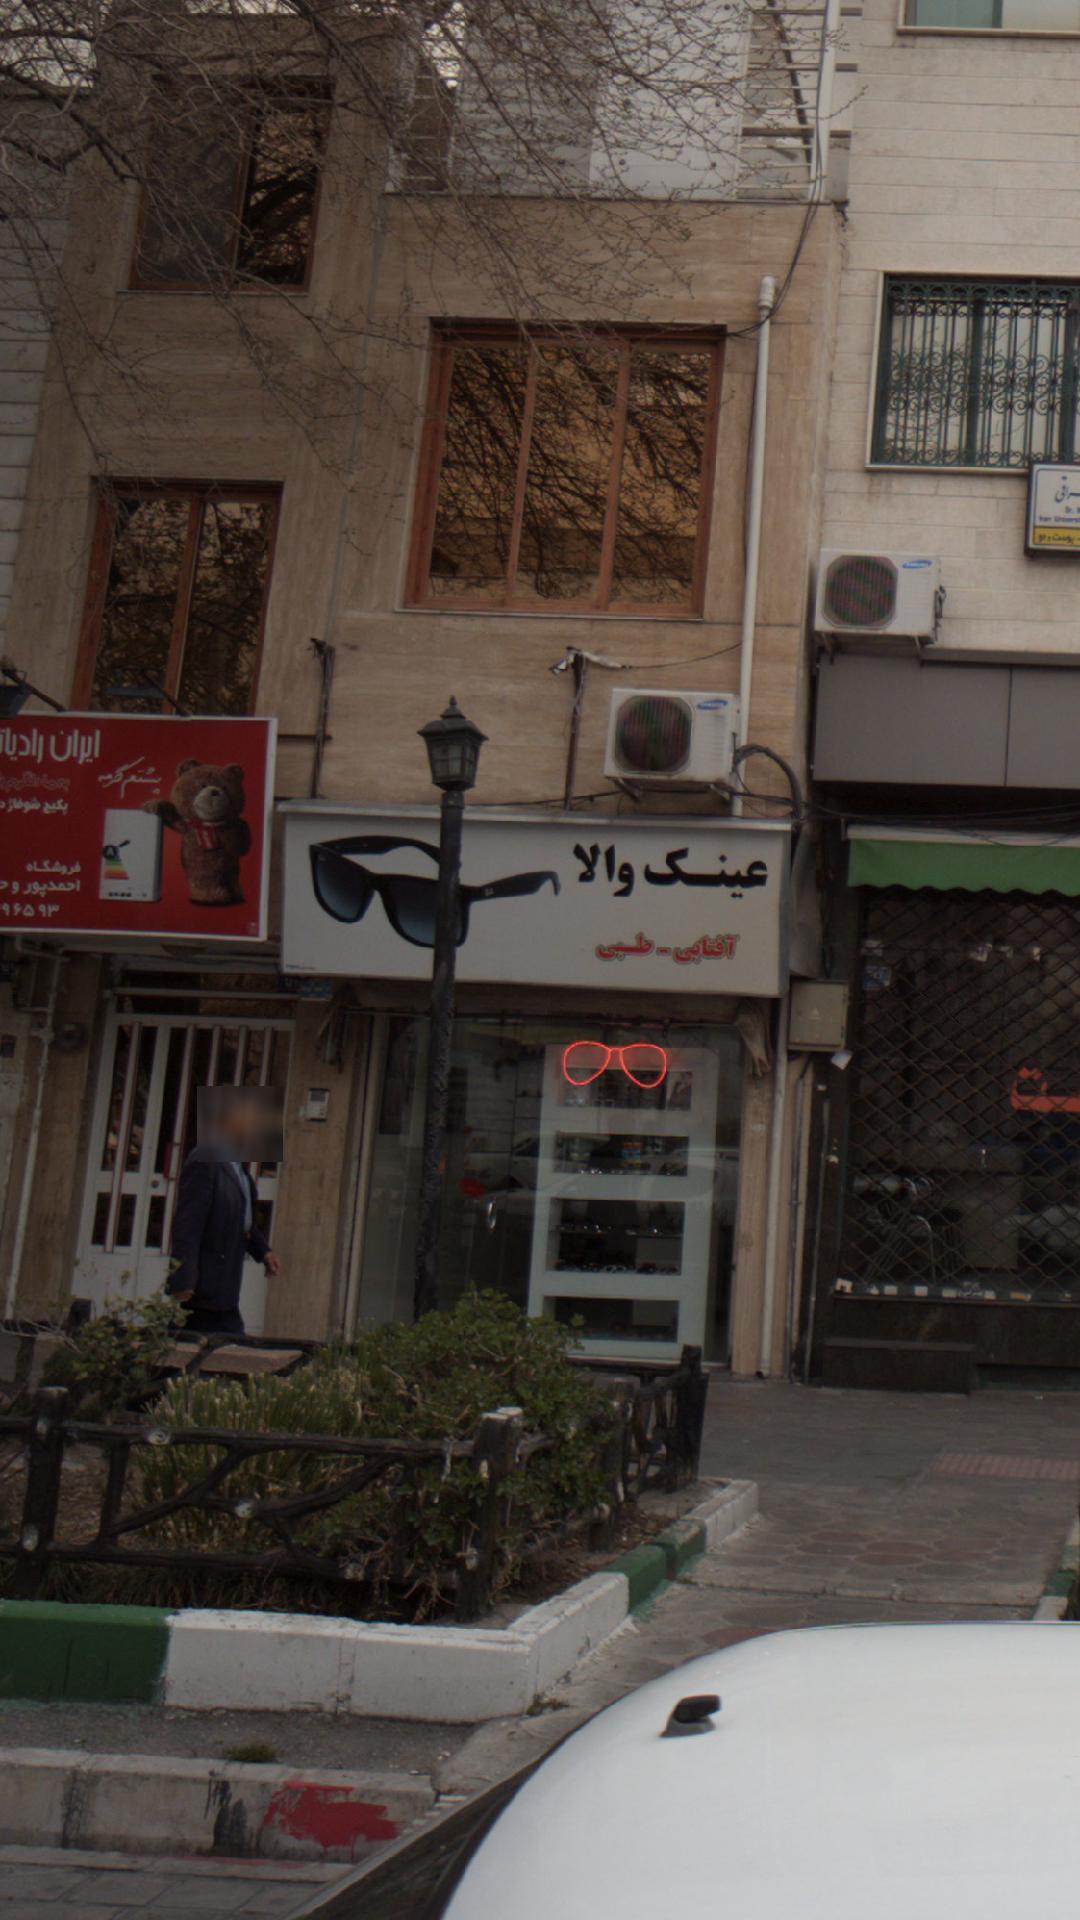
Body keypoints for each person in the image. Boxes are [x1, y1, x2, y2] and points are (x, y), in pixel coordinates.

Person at [167, 1087, 281, 1336]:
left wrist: (264, 1251)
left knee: (214, 1346)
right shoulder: (205, 1162)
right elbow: (187, 1225)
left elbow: (244, 1222)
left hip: (224, 1288)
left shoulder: (240, 1171)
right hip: (202, 1289)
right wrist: (183, 1279)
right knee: (203, 1344)